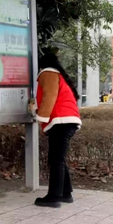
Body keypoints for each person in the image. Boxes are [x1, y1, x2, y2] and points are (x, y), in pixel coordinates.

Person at [32, 52, 82, 208]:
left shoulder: (48, 73)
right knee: (58, 159)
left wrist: (39, 116)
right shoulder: (59, 75)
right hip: (69, 121)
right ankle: (66, 194)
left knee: (56, 160)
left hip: (60, 121)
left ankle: (53, 197)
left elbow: (49, 97)